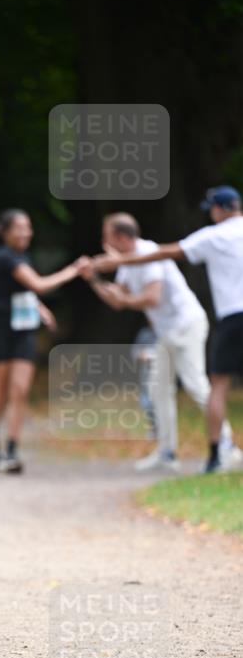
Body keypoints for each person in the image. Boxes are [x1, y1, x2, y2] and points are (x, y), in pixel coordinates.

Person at [93, 187, 243, 473]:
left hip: (186, 325)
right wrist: (95, 278)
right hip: (167, 330)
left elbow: (151, 297)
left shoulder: (149, 253)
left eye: (107, 236)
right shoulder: (130, 262)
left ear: (122, 238)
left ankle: (226, 447)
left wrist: (117, 264)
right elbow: (118, 300)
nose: (103, 242)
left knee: (199, 384)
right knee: (158, 388)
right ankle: (166, 452)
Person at [0, 209, 85, 473]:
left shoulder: (21, 256)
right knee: (0, 392)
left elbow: (25, 290)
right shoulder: (4, 256)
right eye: (20, 227)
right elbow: (37, 284)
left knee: (20, 390)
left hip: (24, 330)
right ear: (6, 232)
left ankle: (12, 449)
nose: (26, 232)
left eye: (28, 227)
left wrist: (41, 310)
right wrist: (73, 270)